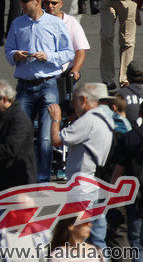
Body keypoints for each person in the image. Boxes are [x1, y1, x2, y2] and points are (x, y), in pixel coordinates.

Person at [6, 0, 74, 182]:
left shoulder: (55, 24)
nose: (21, 3)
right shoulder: (18, 24)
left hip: (48, 85)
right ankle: (26, 175)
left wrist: (49, 56)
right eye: (21, 0)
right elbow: (8, 51)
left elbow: (68, 53)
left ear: (37, 2)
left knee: (45, 137)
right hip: (24, 86)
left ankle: (43, 178)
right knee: (22, 135)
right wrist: (15, 55)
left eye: (25, 0)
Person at [48, 83, 115, 246]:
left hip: (83, 187)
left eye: (74, 102)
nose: (73, 106)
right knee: (97, 236)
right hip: (98, 184)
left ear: (83, 99)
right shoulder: (106, 118)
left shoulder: (88, 120)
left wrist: (56, 119)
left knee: (76, 236)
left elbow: (56, 140)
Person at [44, 0, 91, 84]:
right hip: (43, 74)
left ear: (61, 4)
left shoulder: (71, 22)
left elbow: (80, 50)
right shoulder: (37, 22)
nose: (50, 6)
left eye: (54, 3)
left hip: (64, 75)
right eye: (47, 3)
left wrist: (75, 70)